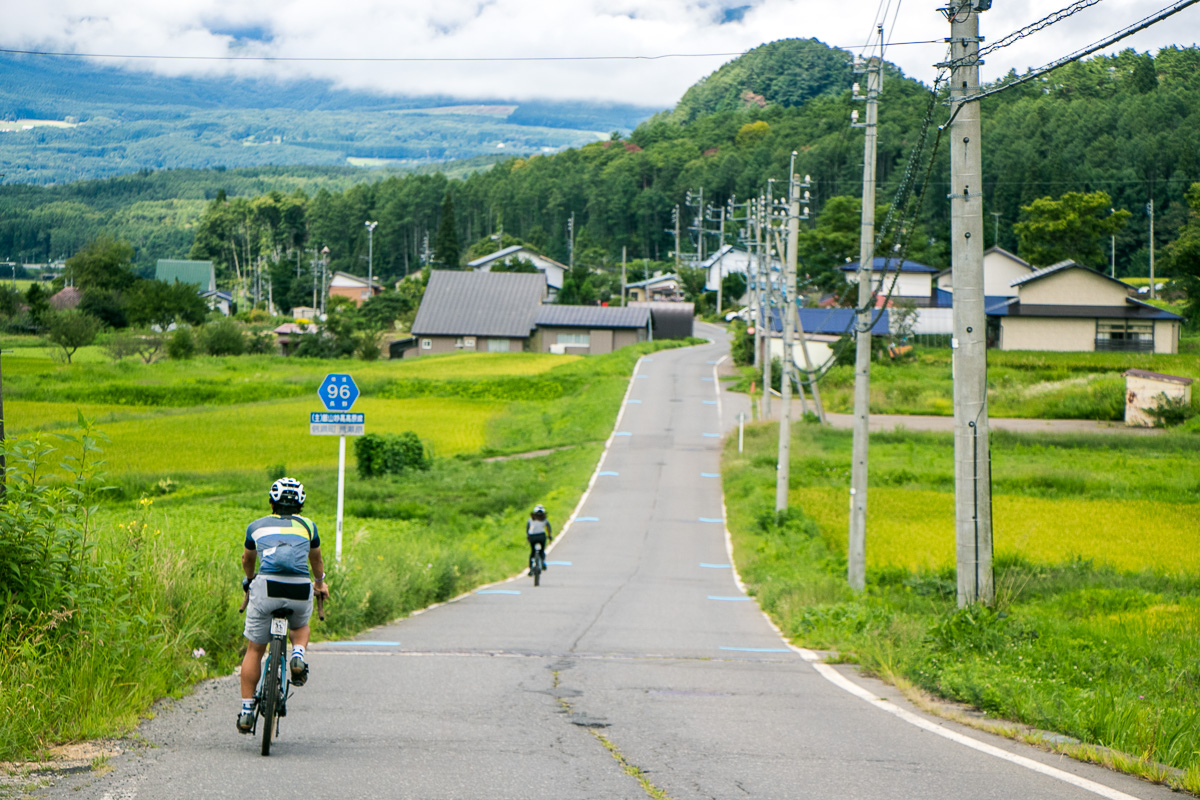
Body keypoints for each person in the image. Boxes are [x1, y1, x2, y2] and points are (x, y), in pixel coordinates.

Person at [237, 477, 330, 734]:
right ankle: (298, 655)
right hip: (300, 588)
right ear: (300, 505)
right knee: (300, 627)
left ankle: (246, 712)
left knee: (255, 649)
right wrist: (320, 583)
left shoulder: (255, 527)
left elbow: (248, 559)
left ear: (271, 503)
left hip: (266, 588)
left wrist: (249, 579)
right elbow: (317, 561)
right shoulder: (309, 526)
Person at [526, 504, 552, 574]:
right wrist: (549, 536)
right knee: (542, 550)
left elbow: (528, 528)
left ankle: (531, 568)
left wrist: (528, 537)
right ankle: (542, 562)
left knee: (532, 552)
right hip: (541, 536)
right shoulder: (544, 519)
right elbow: (548, 528)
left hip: (532, 537)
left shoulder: (530, 519)